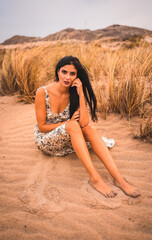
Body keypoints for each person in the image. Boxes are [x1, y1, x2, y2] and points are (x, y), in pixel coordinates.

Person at [34, 55, 141, 198]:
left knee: (89, 129)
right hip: (46, 141)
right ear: (57, 72)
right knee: (72, 125)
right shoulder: (43, 92)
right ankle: (95, 178)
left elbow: (84, 123)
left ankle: (119, 179)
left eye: (72, 74)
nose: (67, 77)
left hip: (70, 137)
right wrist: (68, 124)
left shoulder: (74, 92)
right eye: (64, 72)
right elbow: (42, 127)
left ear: (77, 76)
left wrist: (81, 93)